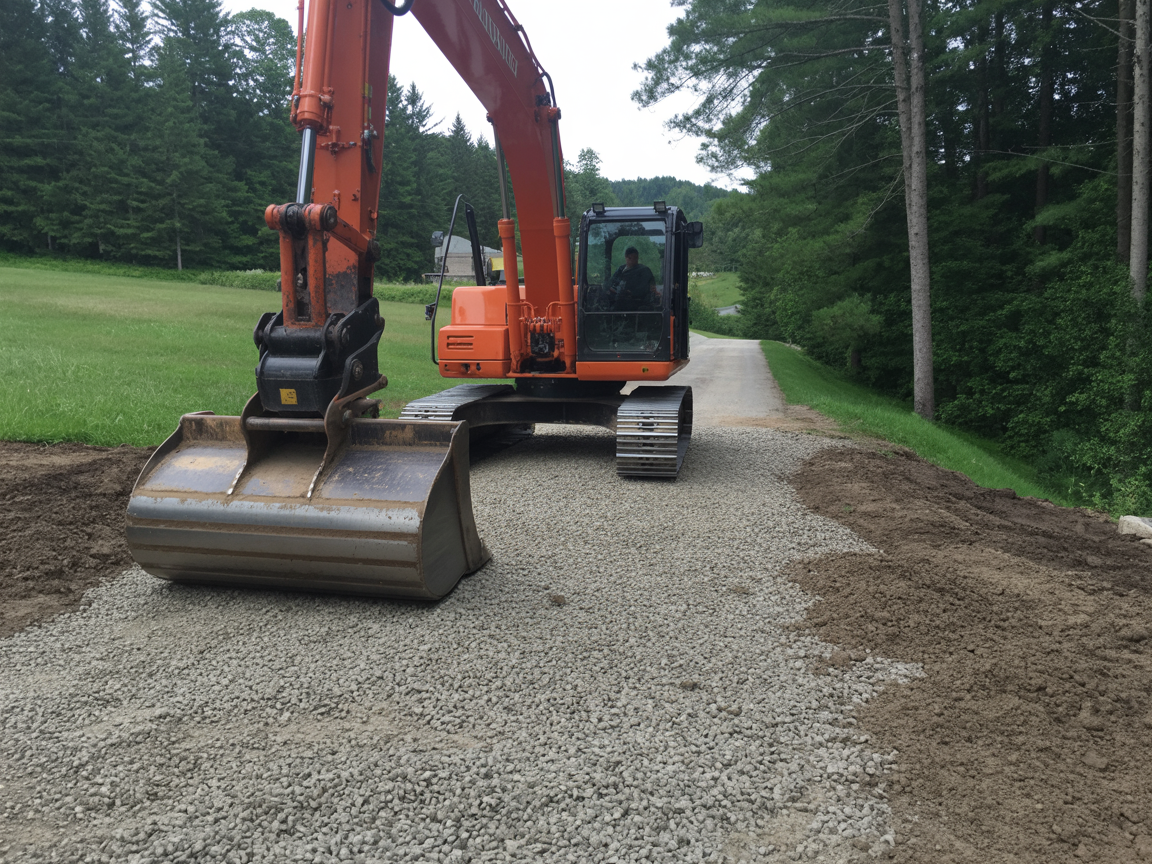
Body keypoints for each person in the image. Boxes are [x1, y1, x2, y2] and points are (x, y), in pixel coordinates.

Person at [608, 247, 659, 311]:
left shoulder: (644, 271)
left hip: (636, 303)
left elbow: (645, 289)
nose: (633, 261)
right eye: (630, 258)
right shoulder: (620, 269)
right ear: (626, 258)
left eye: (635, 258)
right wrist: (611, 289)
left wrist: (630, 293)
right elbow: (612, 282)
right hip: (617, 299)